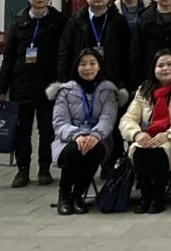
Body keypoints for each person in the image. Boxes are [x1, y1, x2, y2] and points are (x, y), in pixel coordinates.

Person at [0, 0, 67, 188]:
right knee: (22, 130)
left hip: (48, 86)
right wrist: (0, 88)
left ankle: (44, 168)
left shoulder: (59, 21)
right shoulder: (18, 22)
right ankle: (22, 169)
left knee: (47, 130)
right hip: (22, 84)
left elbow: (63, 54)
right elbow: (9, 58)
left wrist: (62, 83)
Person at [119, 49, 171, 214]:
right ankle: (145, 195)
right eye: (160, 65)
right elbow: (127, 119)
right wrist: (137, 134)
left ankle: (158, 196)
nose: (165, 69)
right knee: (140, 150)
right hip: (148, 135)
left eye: (169, 64)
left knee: (159, 152)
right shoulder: (144, 89)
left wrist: (168, 134)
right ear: (153, 68)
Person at [50, 49, 120, 215]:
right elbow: (60, 122)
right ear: (76, 67)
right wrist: (77, 135)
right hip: (68, 139)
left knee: (93, 150)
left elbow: (108, 118)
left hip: (99, 138)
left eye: (92, 63)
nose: (87, 68)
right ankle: (64, 196)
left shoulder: (108, 90)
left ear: (99, 66)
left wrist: (95, 135)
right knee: (74, 151)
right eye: (83, 64)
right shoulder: (65, 90)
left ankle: (78, 195)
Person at [58, 0, 131, 89]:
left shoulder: (119, 22)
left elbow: (127, 53)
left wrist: (124, 82)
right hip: (81, 80)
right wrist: (64, 80)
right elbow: (65, 52)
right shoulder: (75, 22)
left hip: (112, 80)